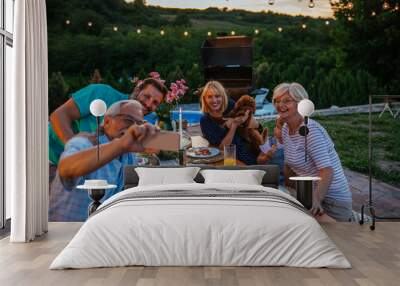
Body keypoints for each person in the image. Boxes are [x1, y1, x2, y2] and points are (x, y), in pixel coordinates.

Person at [49, 100, 159, 221]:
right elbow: (65, 168)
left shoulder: (128, 155)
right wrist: (120, 145)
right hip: (67, 232)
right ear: (107, 121)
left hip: (98, 230)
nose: (133, 127)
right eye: (128, 120)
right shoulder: (85, 142)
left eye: (139, 124)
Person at [272, 82, 353, 221]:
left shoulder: (311, 131)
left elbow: (327, 171)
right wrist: (290, 191)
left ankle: (353, 220)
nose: (280, 105)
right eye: (277, 101)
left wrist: (316, 200)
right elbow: (289, 165)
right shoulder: (286, 128)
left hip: (331, 201)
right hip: (307, 195)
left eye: (287, 101)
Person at [49, 78, 168, 165]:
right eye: (146, 96)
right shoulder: (102, 93)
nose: (148, 104)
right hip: (48, 157)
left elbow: (164, 144)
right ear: (137, 90)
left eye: (155, 103)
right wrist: (75, 152)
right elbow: (58, 115)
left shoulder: (140, 121)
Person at [199, 81, 260, 165]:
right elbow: (222, 148)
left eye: (217, 96)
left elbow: (256, 126)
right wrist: (234, 125)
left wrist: (245, 119)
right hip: (228, 159)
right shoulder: (205, 120)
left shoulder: (230, 105)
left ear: (223, 97)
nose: (214, 100)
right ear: (204, 99)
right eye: (209, 97)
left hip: (247, 151)